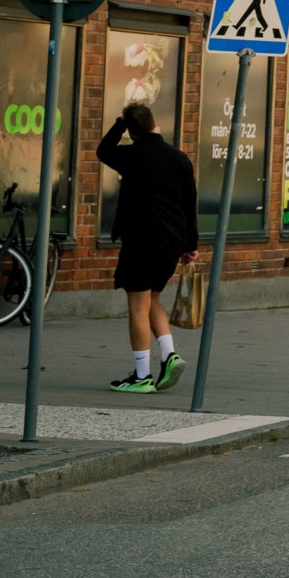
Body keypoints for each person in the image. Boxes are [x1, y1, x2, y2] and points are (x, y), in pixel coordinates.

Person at [97, 101, 196, 392]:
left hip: (142, 240)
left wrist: (119, 125)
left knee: (137, 306)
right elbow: (189, 203)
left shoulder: (132, 155)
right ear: (154, 124)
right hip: (172, 242)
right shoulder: (179, 158)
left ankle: (142, 377)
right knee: (152, 299)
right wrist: (191, 244)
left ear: (131, 130)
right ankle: (169, 355)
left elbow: (103, 150)